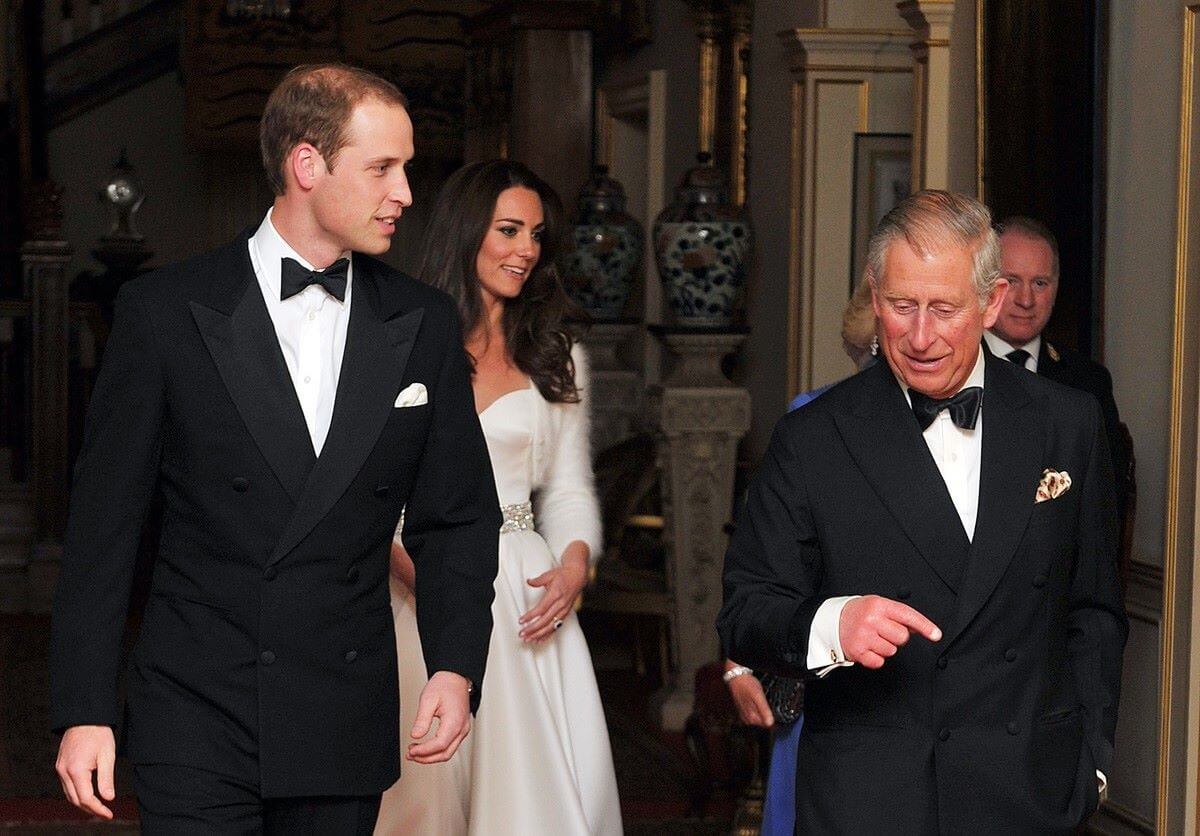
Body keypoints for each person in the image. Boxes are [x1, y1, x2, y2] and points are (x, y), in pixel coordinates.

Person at [50, 64, 501, 834]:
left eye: (407, 169)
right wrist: (85, 711)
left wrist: (454, 666)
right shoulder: (164, 313)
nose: (406, 194)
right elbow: (104, 529)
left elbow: (456, 518)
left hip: (340, 715)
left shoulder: (421, 323)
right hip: (197, 712)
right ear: (306, 165)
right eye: (383, 168)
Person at [718, 190, 1127, 833]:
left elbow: (1093, 609)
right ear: (875, 296)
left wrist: (1093, 763)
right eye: (901, 306)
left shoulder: (1066, 423)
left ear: (991, 303)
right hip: (872, 800)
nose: (920, 335)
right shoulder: (815, 437)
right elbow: (746, 609)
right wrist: (833, 623)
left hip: (1027, 793)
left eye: (944, 309)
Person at [376, 160, 622, 836]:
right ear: (463, 231)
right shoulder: (401, 343)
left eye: (537, 235)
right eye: (509, 229)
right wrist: (421, 577)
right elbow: (370, 488)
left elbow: (570, 487)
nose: (527, 251)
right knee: (421, 795)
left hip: (524, 597)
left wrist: (575, 566)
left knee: (530, 802)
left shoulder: (557, 354)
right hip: (412, 583)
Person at [723, 277, 879, 836]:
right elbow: (762, 558)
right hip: (821, 679)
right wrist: (738, 661)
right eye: (874, 353)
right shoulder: (812, 418)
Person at [984, 216, 1130, 518]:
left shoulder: (1087, 383)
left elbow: (1104, 503)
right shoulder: (950, 368)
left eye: (1040, 283)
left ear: (1056, 288)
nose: (1026, 300)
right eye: (1010, 281)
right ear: (984, 284)